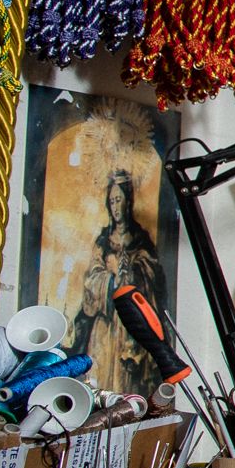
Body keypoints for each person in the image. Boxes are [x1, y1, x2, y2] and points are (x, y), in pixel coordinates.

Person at [65, 170, 169, 397]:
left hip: (130, 328)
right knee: (98, 381)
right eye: (111, 201)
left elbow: (150, 277)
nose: (115, 207)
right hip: (105, 326)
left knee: (127, 386)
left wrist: (129, 273)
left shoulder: (141, 240)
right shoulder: (103, 242)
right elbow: (92, 279)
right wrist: (111, 278)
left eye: (119, 199)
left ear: (128, 201)